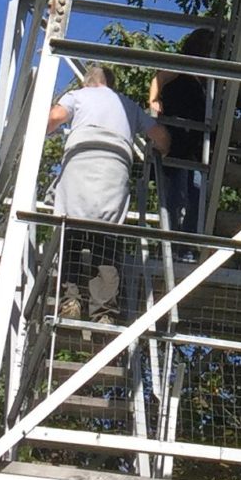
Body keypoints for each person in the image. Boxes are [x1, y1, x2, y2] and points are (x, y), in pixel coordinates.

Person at [47, 63, 166, 323]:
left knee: (70, 233)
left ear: (87, 82)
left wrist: (37, 126)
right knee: (108, 240)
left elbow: (54, 118)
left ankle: (70, 300)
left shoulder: (77, 96)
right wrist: (161, 150)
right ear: (110, 84)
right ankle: (104, 313)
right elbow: (160, 136)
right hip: (114, 170)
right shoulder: (127, 105)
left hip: (80, 164)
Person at [150, 27, 217, 239]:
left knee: (196, 196)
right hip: (177, 141)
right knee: (176, 196)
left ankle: (184, 244)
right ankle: (170, 243)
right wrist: (154, 102)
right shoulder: (184, 66)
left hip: (195, 146)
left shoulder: (207, 80)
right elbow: (158, 79)